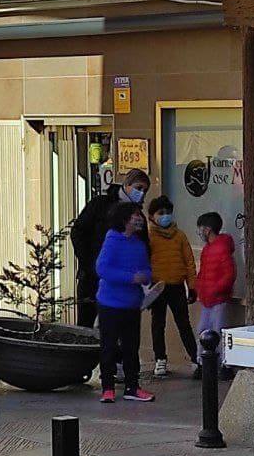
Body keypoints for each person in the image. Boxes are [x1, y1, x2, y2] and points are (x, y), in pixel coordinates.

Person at [71, 169, 150, 328]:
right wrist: (89, 263)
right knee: (85, 326)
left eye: (145, 190)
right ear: (127, 185)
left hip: (120, 285)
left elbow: (144, 249)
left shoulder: (139, 218)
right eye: (138, 188)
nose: (141, 193)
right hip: (91, 278)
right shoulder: (100, 204)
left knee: (115, 331)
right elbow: (79, 232)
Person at [95, 202, 156, 404]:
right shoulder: (112, 240)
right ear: (125, 219)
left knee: (132, 347)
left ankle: (132, 386)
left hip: (132, 304)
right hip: (110, 303)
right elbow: (102, 269)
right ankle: (108, 388)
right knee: (109, 346)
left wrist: (145, 277)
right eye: (135, 215)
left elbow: (147, 270)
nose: (139, 219)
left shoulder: (139, 244)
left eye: (140, 215)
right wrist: (130, 278)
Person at [147, 195, 197, 377]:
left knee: (184, 324)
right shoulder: (148, 236)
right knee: (158, 324)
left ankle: (195, 358)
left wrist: (192, 287)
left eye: (168, 212)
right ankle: (160, 359)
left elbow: (189, 262)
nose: (165, 216)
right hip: (157, 287)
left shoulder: (180, 236)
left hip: (177, 286)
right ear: (152, 216)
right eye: (161, 213)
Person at [193, 212, 236, 381]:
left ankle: (225, 365)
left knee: (218, 332)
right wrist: (198, 288)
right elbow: (203, 273)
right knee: (203, 330)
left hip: (218, 299)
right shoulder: (207, 249)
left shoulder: (221, 248)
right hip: (207, 299)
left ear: (207, 229)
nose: (199, 232)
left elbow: (229, 274)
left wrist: (216, 290)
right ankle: (202, 363)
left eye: (201, 228)